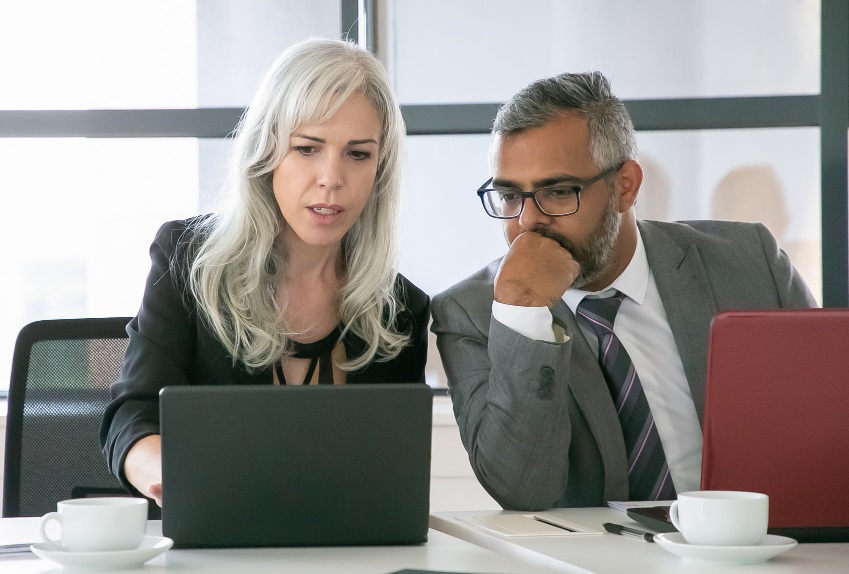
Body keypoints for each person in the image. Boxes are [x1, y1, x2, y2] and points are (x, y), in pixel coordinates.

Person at [430, 71, 815, 511]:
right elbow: (522, 489)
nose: (528, 221)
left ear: (625, 186)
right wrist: (524, 312)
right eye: (510, 196)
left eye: (558, 192)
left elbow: (827, 415)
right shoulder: (471, 313)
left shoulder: (750, 260)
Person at [100, 38, 429, 507]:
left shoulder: (400, 309)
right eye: (307, 148)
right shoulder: (188, 260)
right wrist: (166, 474)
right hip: (208, 532)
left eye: (358, 154)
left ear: (381, 169)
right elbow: (131, 415)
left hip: (343, 542)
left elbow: (391, 477)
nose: (331, 178)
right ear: (266, 150)